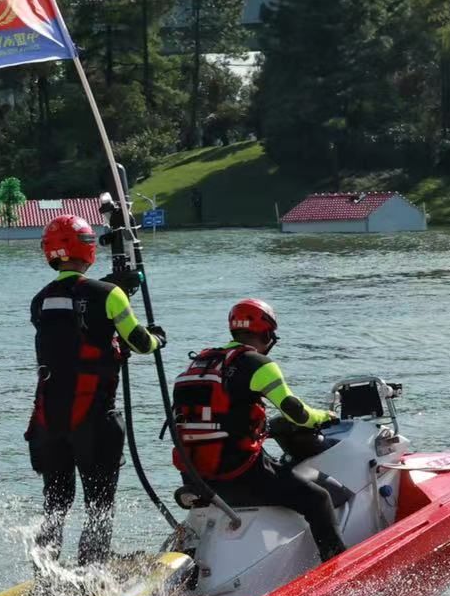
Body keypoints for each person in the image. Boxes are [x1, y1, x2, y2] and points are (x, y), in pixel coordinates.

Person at [27, 213, 162, 566]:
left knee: (55, 505)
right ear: (85, 248)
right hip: (93, 421)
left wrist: (106, 288)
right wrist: (158, 337)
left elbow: (72, 316)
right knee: (99, 507)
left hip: (48, 423)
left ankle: (46, 573)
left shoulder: (40, 300)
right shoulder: (110, 295)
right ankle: (93, 573)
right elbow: (140, 342)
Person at [170, 298, 350, 562]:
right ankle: (339, 571)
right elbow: (296, 413)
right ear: (266, 333)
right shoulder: (257, 364)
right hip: (240, 475)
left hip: (198, 478)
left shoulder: (202, 364)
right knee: (318, 499)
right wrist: (324, 416)